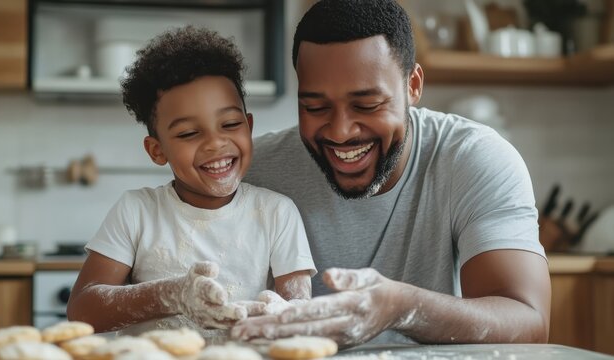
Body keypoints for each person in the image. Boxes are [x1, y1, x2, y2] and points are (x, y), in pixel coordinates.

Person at [231, 0, 551, 347]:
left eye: (366, 105)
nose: (340, 132)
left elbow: (528, 321)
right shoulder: (251, 171)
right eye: (315, 107)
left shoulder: (472, 159)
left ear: (413, 85)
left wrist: (401, 307)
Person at [66, 26, 316, 338]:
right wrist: (172, 295)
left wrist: (281, 317)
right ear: (157, 150)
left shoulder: (277, 213)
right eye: (188, 133)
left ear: (249, 127)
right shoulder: (136, 211)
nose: (215, 143)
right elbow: (82, 310)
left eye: (230, 124)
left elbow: (299, 315)